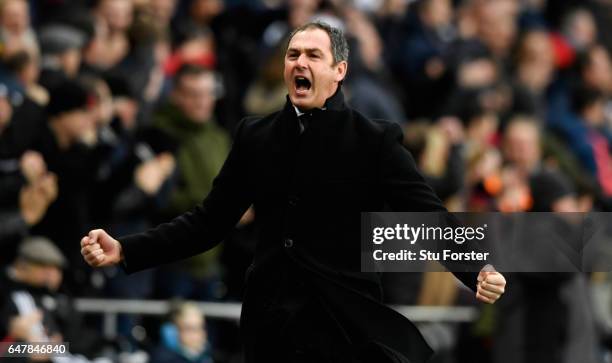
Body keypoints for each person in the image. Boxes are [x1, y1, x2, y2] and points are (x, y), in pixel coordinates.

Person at [81, 21, 506, 363]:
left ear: (339, 71)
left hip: (342, 326)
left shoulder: (374, 140)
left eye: (313, 55)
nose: (299, 62)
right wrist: (127, 249)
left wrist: (475, 269)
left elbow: (427, 214)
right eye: (292, 54)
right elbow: (209, 222)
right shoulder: (256, 135)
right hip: (270, 326)